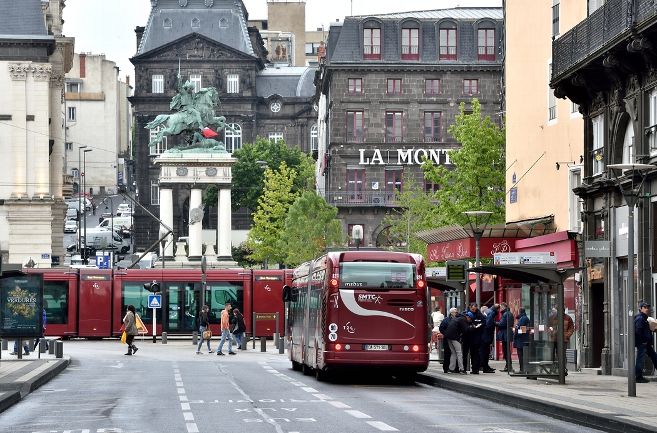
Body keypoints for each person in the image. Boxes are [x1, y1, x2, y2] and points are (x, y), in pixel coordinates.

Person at [443, 307, 471, 374]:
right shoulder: (463, 319)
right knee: (459, 353)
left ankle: (451, 369)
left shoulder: (457, 318)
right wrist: (473, 327)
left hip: (448, 336)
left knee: (453, 352)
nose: (470, 320)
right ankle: (461, 369)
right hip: (454, 337)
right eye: (470, 319)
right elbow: (466, 330)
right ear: (468, 317)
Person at [635, 302, 657, 383]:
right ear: (640, 309)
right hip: (643, 343)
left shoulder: (644, 318)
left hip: (645, 343)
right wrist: (643, 341)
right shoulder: (640, 318)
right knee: (640, 359)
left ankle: (638, 376)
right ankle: (638, 377)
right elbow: (638, 331)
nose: (647, 309)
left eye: (648, 307)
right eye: (645, 307)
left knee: (654, 356)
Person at [548, 307, 574, 372]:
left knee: (562, 354)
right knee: (553, 354)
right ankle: (553, 368)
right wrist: (551, 332)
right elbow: (549, 326)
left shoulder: (568, 318)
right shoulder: (553, 317)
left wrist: (567, 335)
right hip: (554, 338)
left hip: (563, 339)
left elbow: (571, 328)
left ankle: (563, 368)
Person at [463, 303, 485, 374]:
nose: (473, 310)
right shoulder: (466, 314)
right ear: (470, 307)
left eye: (475, 308)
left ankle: (475, 369)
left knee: (475, 354)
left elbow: (482, 325)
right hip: (467, 337)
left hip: (476, 338)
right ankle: (464, 368)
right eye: (472, 309)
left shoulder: (480, 315)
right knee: (466, 353)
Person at [480, 303, 498, 373]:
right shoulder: (491, 313)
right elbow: (488, 324)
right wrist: (494, 324)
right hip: (486, 336)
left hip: (484, 335)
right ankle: (485, 367)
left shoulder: (488, 312)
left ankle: (485, 366)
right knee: (485, 352)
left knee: (484, 352)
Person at [496, 302, 513, 372]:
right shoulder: (508, 313)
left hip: (505, 334)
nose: (500, 309)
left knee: (506, 351)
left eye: (501, 307)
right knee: (506, 351)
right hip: (507, 334)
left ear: (504, 307)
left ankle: (508, 366)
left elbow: (502, 324)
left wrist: (495, 323)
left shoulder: (506, 314)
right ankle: (508, 366)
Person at [513, 308, 530, 373]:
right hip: (523, 339)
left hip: (521, 340)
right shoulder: (524, 318)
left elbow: (521, 329)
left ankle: (522, 369)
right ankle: (523, 369)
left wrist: (516, 332)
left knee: (521, 355)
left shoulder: (523, 318)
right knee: (522, 355)